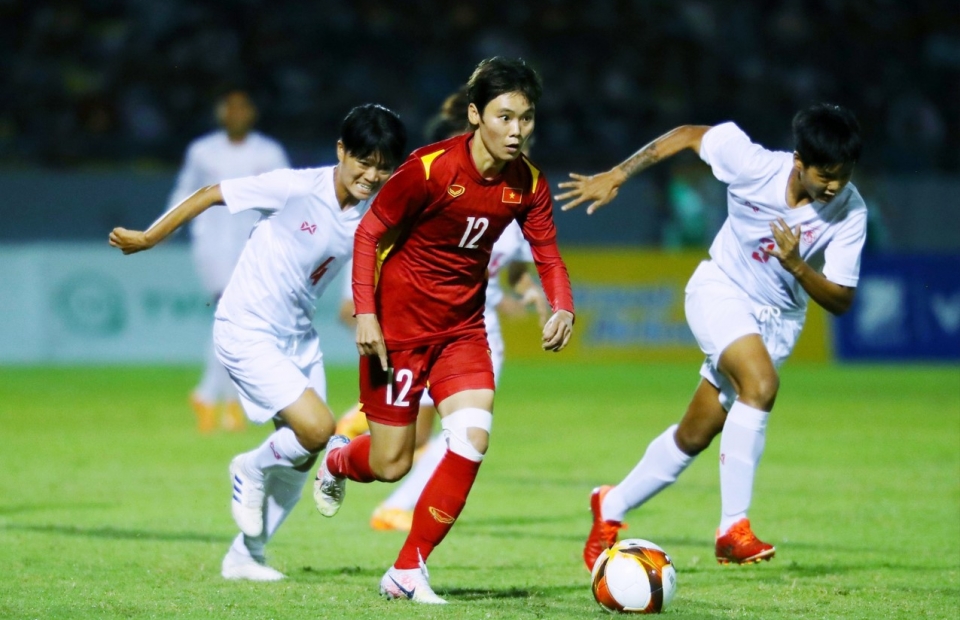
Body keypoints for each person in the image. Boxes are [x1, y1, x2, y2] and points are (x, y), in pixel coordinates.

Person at [557, 103, 865, 569]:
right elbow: (685, 134)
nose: (835, 185)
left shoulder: (850, 211)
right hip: (720, 288)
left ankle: (611, 505)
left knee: (695, 434)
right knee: (760, 386)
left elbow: (841, 299)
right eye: (826, 175)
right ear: (800, 162)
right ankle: (732, 528)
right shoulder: (751, 163)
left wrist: (798, 265)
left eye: (843, 175)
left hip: (779, 321)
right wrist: (619, 173)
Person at [313, 57, 575, 604]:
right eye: (504, 117)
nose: (516, 130)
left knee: (472, 438)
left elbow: (547, 253)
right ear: (476, 115)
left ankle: (407, 570)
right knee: (391, 463)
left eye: (526, 119)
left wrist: (562, 306)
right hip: (399, 334)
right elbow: (369, 235)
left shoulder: (527, 183)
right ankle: (339, 456)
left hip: (462, 332)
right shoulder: (428, 169)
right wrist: (365, 313)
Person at [108, 104, 407, 581]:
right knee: (316, 429)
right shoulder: (296, 187)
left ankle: (246, 556)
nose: (372, 175)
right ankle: (246, 467)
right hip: (247, 325)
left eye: (383, 166)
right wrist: (149, 237)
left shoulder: (375, 215)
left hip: (297, 337)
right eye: (363, 161)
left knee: (303, 456)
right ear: (340, 152)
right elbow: (211, 194)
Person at [334, 89, 549, 533]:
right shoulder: (435, 186)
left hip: (475, 335)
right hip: (421, 329)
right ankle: (368, 462)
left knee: (459, 436)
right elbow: (378, 240)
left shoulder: (513, 200)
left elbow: (512, 272)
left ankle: (398, 508)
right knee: (411, 445)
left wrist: (537, 298)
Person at [167, 87, 290, 433]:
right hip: (213, 246)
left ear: (252, 113)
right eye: (229, 108)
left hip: (254, 245)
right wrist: (168, 227)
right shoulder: (202, 150)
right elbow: (184, 190)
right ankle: (227, 400)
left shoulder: (269, 152)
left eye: (242, 108)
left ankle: (211, 396)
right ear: (221, 114)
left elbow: (285, 193)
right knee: (231, 314)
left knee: (235, 320)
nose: (236, 114)